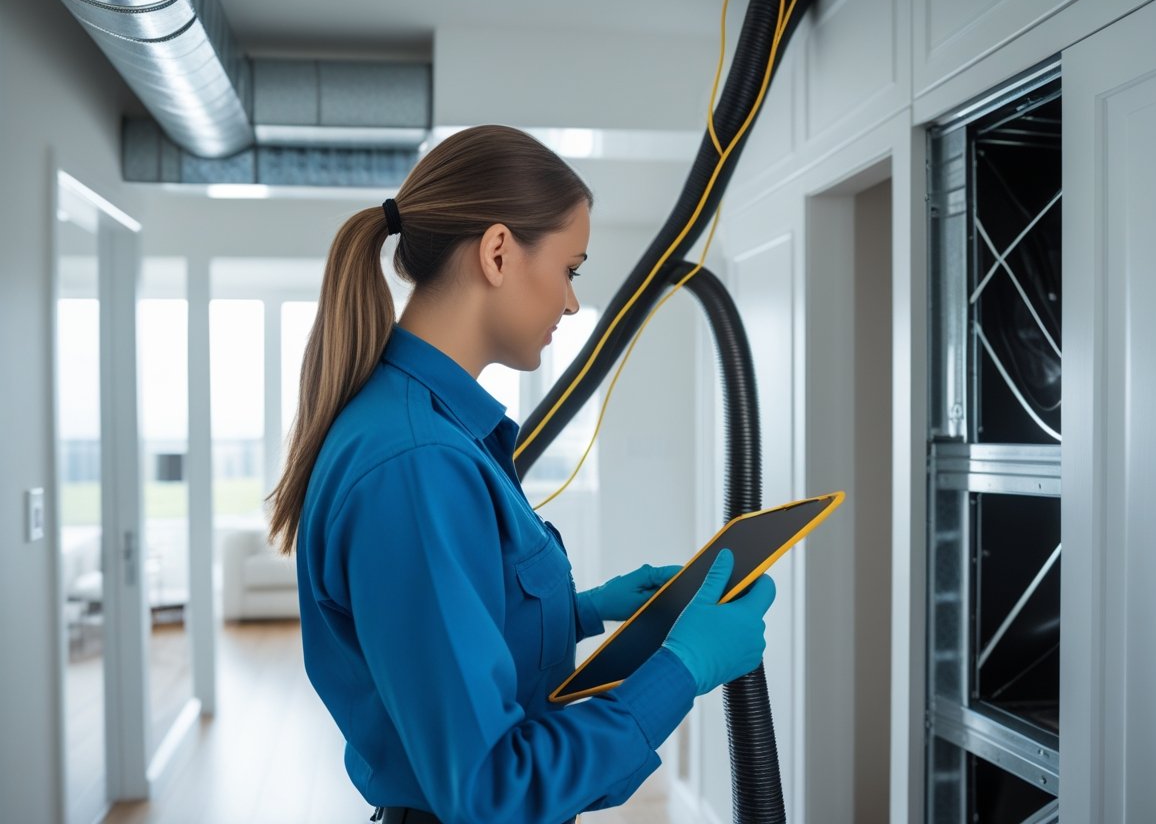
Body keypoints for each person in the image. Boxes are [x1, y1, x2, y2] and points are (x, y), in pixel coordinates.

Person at [268, 125, 777, 824]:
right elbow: (492, 791)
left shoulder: (429, 430)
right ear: (499, 252)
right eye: (570, 269)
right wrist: (679, 670)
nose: (572, 303)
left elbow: (438, 644)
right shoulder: (418, 465)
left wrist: (585, 608)